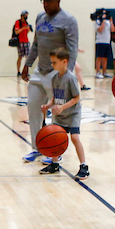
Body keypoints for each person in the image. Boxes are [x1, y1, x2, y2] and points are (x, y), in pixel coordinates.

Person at [21, 0, 79, 164]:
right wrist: (27, 64)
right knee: (33, 109)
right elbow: (36, 44)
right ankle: (37, 148)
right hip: (40, 71)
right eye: (43, 0)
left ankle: (56, 151)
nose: (45, 4)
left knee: (57, 113)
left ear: (58, 1)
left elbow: (72, 49)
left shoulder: (69, 20)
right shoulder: (39, 17)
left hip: (58, 73)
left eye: (49, 1)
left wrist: (66, 74)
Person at [39, 47, 88, 179]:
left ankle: (84, 166)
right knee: (55, 138)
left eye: (54, 62)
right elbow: (55, 97)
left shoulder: (71, 78)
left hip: (72, 114)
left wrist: (62, 107)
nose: (52, 64)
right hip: (60, 115)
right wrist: (48, 105)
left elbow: (76, 98)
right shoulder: (55, 78)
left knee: (75, 138)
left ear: (64, 62)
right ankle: (55, 164)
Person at [94, 10, 113, 80]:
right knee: (99, 57)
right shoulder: (97, 22)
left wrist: (111, 22)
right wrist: (103, 21)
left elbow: (113, 30)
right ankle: (98, 72)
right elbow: (100, 30)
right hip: (100, 42)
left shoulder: (108, 22)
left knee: (105, 58)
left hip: (107, 42)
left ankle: (104, 72)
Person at [12, 11, 31, 77]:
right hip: (20, 42)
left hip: (26, 41)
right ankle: (18, 71)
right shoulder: (18, 22)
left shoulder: (26, 23)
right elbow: (17, 32)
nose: (26, 17)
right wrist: (24, 28)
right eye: (25, 15)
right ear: (22, 16)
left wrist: (28, 29)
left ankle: (26, 71)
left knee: (27, 57)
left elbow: (27, 32)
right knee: (20, 57)